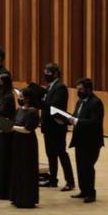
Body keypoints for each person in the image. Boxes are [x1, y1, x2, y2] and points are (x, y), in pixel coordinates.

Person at [67, 77, 104, 203]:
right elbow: (75, 116)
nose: (79, 92)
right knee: (80, 166)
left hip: (91, 141)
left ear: (88, 89)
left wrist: (76, 121)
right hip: (80, 140)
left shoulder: (96, 102)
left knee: (87, 167)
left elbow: (95, 122)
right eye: (78, 90)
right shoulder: (80, 102)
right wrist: (66, 118)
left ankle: (90, 193)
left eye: (81, 89)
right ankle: (83, 190)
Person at [39, 63, 74, 191]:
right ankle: (53, 179)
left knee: (61, 153)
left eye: (48, 73)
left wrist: (40, 101)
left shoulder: (60, 88)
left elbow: (55, 106)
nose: (46, 75)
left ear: (55, 74)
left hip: (57, 126)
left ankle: (70, 181)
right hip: (48, 125)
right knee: (50, 154)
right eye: (45, 72)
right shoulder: (49, 87)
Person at [8, 86, 42, 208]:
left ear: (28, 98)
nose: (19, 99)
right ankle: (17, 197)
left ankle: (26, 199)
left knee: (26, 169)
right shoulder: (19, 110)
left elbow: (28, 130)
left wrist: (11, 127)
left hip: (27, 144)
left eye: (21, 97)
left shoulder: (33, 112)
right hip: (18, 141)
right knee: (17, 168)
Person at [0, 73, 17, 200]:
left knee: (3, 158)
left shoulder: (9, 96)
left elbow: (4, 112)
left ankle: (3, 190)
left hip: (5, 130)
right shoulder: (1, 94)